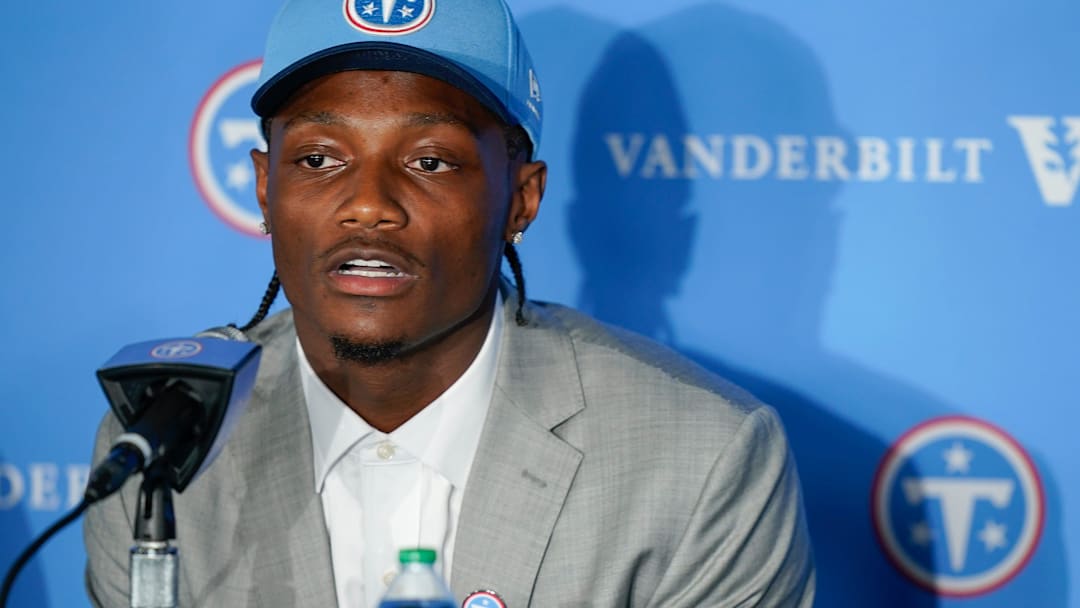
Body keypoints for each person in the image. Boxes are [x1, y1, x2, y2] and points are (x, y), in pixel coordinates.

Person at [83, 0, 815, 606]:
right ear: (264, 187)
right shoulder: (160, 441)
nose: (367, 206)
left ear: (520, 199)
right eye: (318, 159)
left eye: (430, 160)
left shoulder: (700, 460)